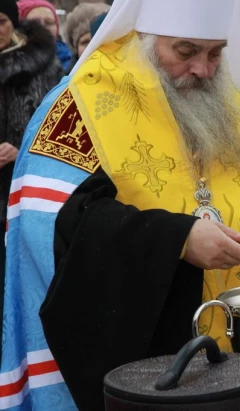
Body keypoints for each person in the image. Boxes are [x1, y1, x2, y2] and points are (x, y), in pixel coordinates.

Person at [0, 0, 240, 409]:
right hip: (143, 366)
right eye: (185, 52)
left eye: (216, 52)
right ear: (145, 39)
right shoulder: (81, 105)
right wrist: (176, 239)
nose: (204, 69)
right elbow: (49, 226)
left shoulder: (230, 101)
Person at [0, 0, 62, 361]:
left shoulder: (42, 63)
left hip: (25, 184)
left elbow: (51, 122)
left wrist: (18, 145)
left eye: (2, 21)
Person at [17, 0, 72, 70]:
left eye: (49, 23)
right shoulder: (9, 68)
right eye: (35, 23)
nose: (43, 28)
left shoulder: (74, 63)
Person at [63, 1, 109, 70]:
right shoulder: (68, 79)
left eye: (98, 41)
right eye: (85, 42)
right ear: (76, 49)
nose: (92, 47)